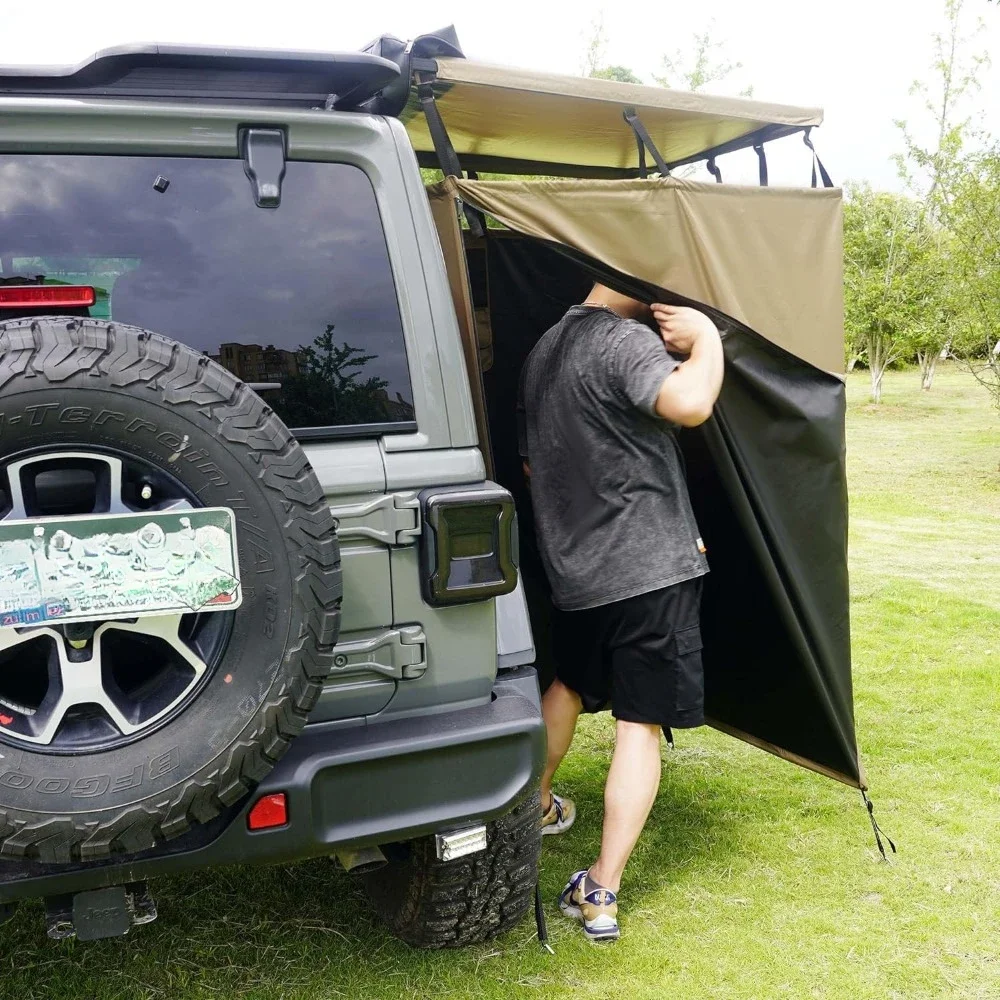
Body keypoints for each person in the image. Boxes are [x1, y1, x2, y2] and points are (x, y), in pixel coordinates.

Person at [517, 283, 724, 943]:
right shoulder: (621, 340)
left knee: (568, 686)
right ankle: (599, 890)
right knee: (639, 723)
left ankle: (536, 806)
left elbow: (533, 466)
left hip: (577, 569)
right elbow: (690, 402)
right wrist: (707, 339)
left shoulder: (545, 349)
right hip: (648, 570)